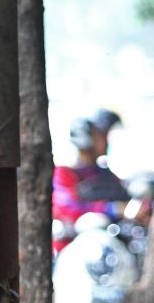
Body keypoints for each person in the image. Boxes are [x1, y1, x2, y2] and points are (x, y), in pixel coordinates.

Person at [51, 109, 130, 254]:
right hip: (72, 252)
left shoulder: (105, 174)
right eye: (100, 135)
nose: (106, 141)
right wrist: (113, 209)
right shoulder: (65, 174)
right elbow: (67, 208)